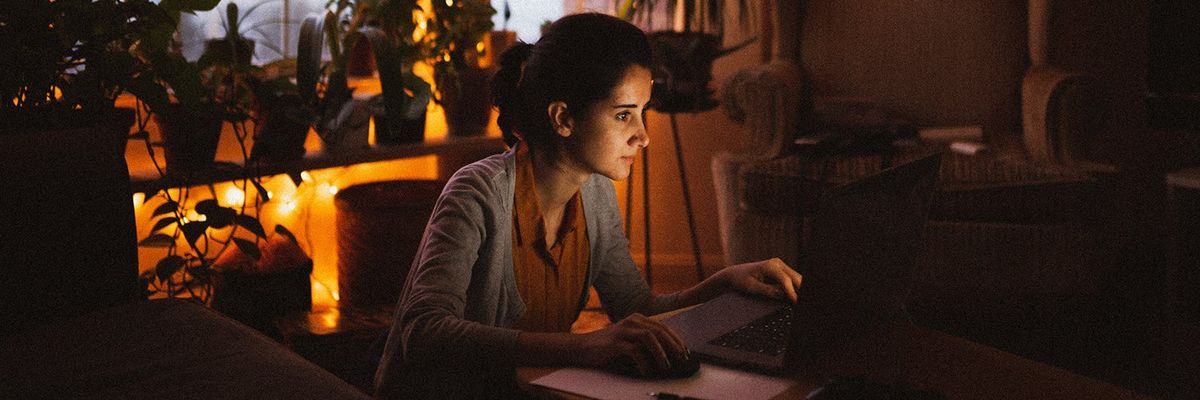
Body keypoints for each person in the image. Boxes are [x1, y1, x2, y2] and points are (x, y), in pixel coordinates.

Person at [373, 13, 803, 399]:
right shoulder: (477, 193)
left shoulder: (595, 196)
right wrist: (584, 346)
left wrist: (725, 282)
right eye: (623, 115)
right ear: (562, 118)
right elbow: (424, 333)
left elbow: (637, 310)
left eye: (643, 113)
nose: (643, 136)